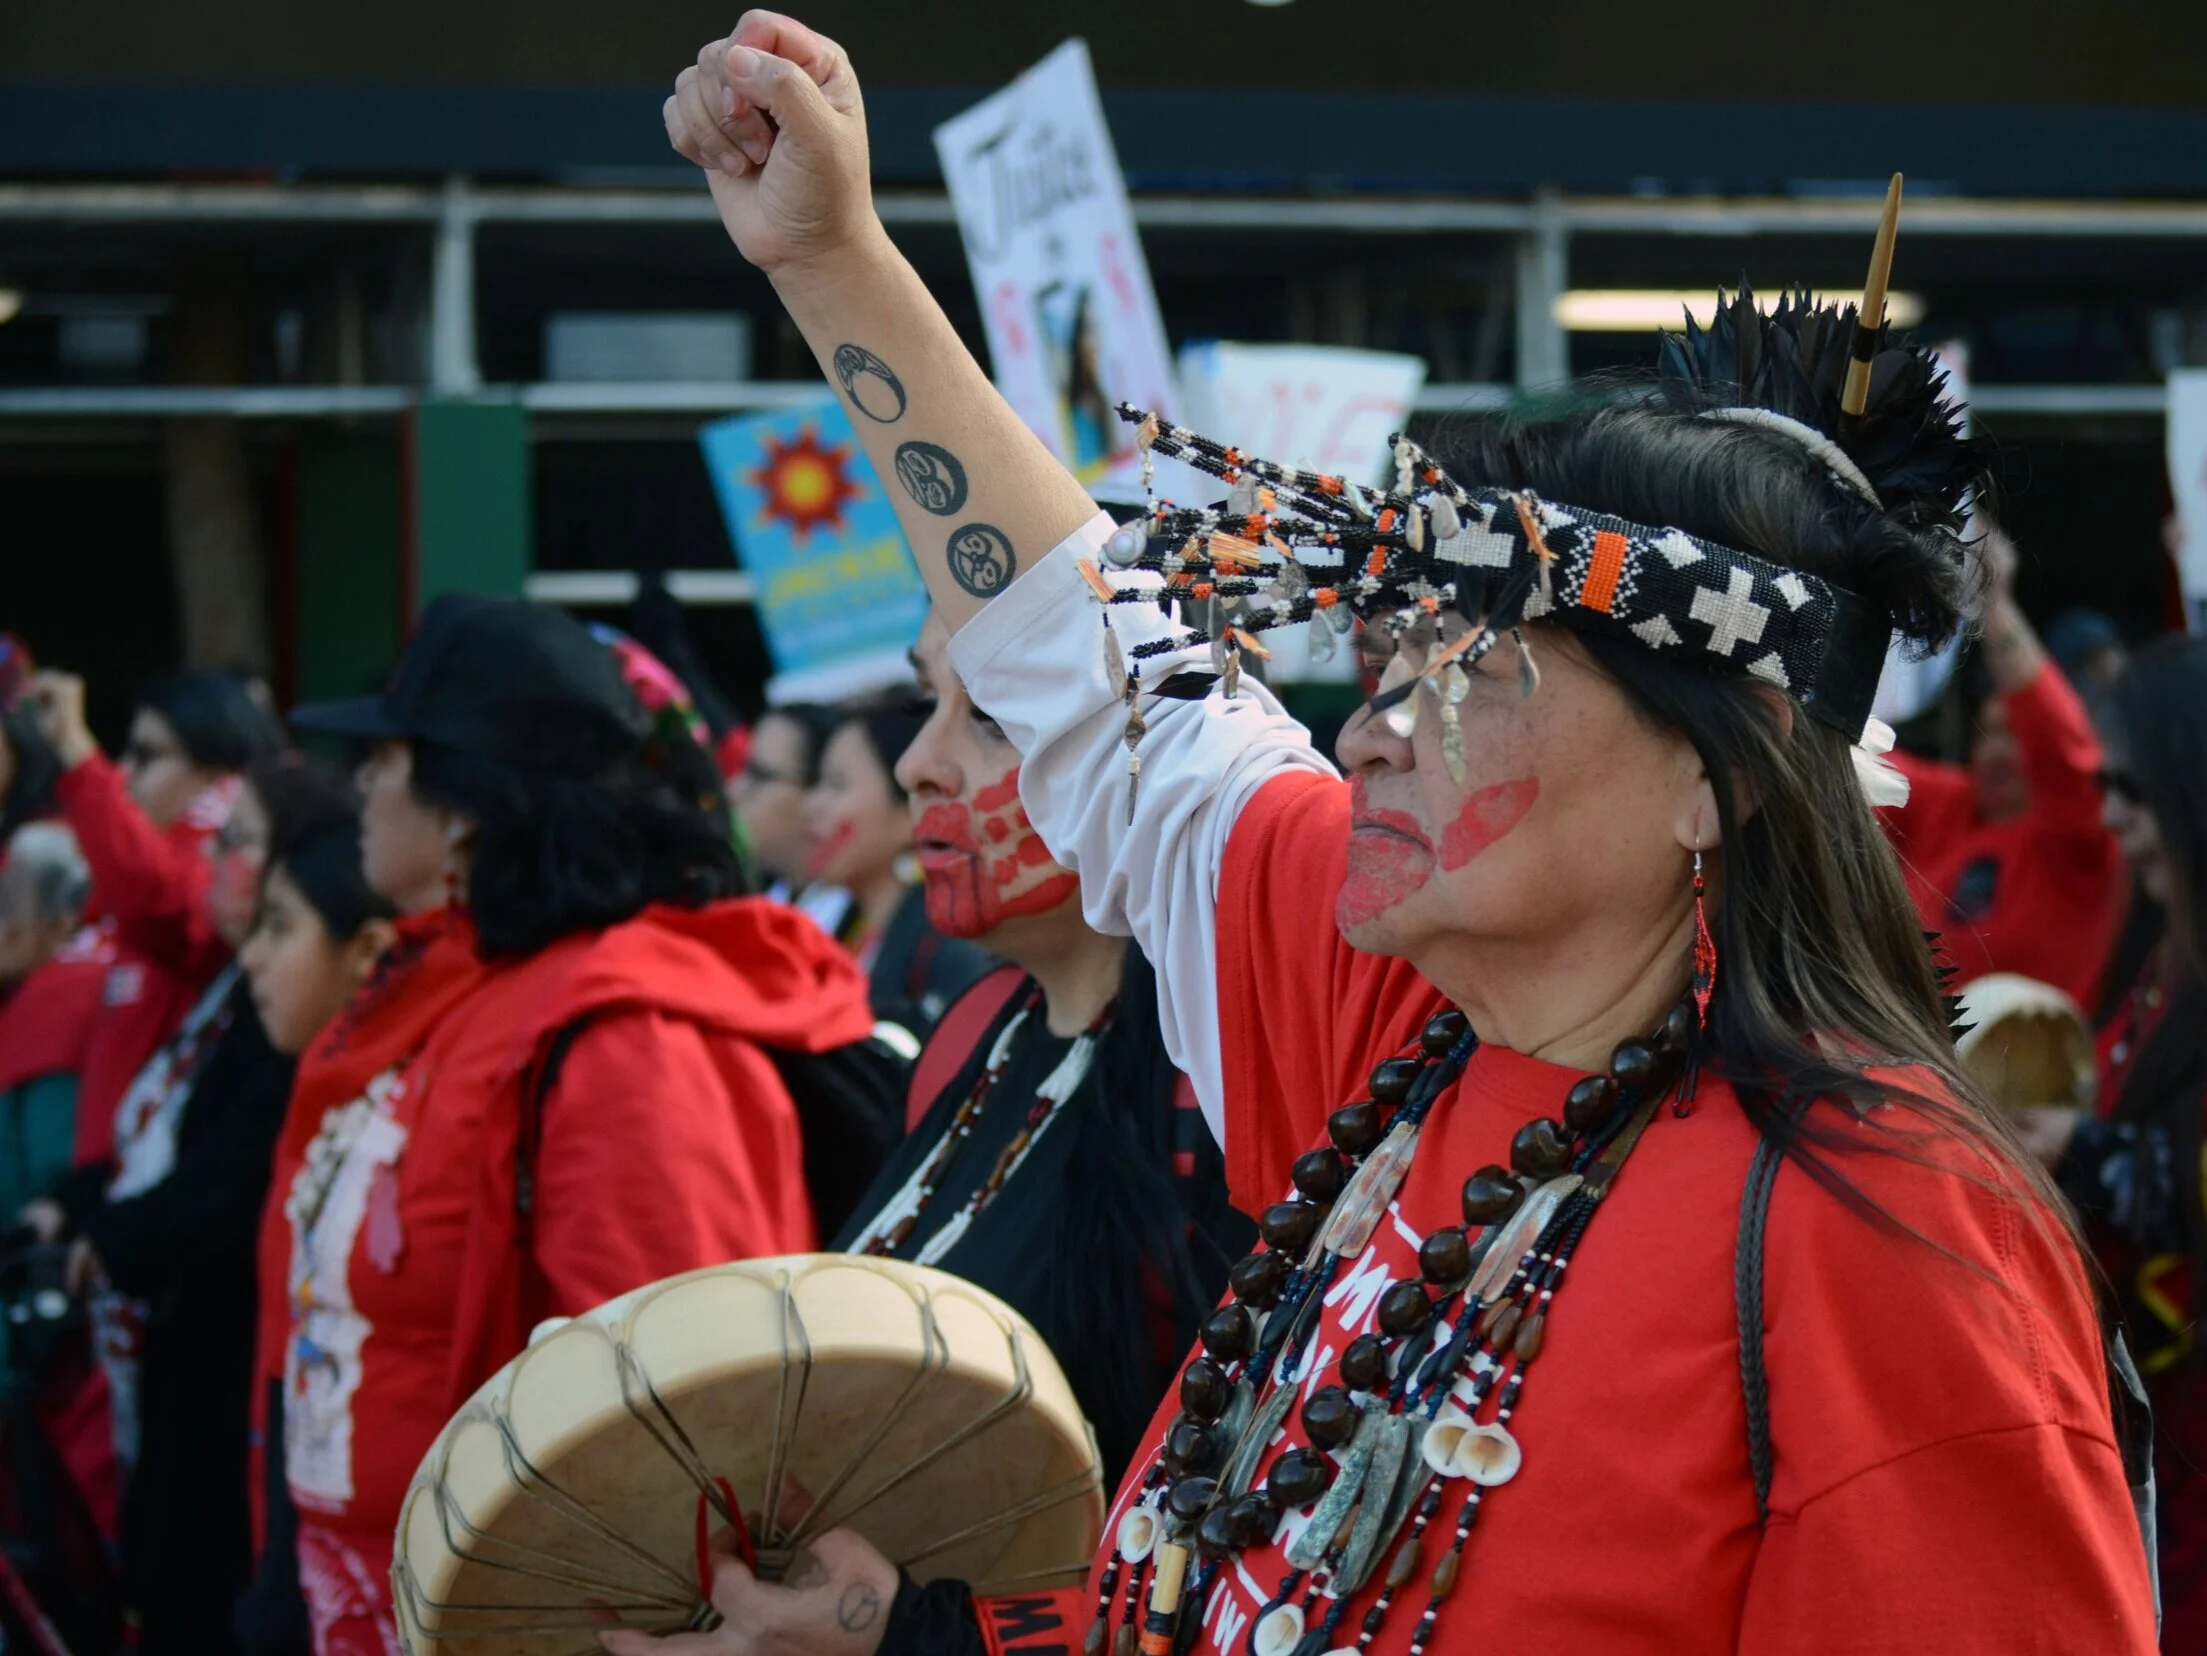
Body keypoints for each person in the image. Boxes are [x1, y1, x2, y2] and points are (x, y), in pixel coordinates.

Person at [619, 24, 2157, 1655]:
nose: (1366, 729)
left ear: (1732, 776)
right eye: (1386, 667)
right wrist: (831, 255)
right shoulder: (1401, 1021)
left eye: (1475, 672)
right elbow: (1088, 662)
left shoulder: (1892, 1241)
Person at [257, 593, 875, 1654]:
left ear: (463, 798)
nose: (359, 782)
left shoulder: (623, 1038)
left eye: (389, 753)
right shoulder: (447, 990)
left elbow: (689, 1419)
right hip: (365, 1596)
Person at [834, 616, 1249, 1480]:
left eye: (993, 716)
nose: (916, 764)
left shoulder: (1220, 1081)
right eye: (926, 699)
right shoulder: (967, 1039)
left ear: (1159, 747)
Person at [23, 755, 344, 1656]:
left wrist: (112, 1238)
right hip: (189, 1356)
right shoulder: (234, 994)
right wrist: (77, 1211)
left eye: (238, 842)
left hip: (231, 1367)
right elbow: (149, 1141)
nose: (211, 860)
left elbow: (224, 1189)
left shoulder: (297, 1020)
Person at [2015, 636, 2207, 1646]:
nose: (2112, 818)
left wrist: (2088, 1154)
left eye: (2133, 790)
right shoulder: (2159, 953)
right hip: (2151, 1437)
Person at [233, 796, 398, 1656]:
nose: (250, 958)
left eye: (280, 928)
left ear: (368, 949)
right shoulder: (317, 1090)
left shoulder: (397, 1115)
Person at [22, 667, 287, 1166]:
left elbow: (164, 909)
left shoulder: (225, 854)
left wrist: (79, 756)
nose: (123, 774)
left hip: (166, 1198)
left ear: (215, 773)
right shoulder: (154, 855)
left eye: (146, 756)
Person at [1879, 523, 2127, 1007]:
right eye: (1987, 734)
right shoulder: (1949, 805)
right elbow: (1846, 762)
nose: (1996, 751)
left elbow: (2061, 743)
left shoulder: (2077, 837)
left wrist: (1993, 605)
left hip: (2029, 1077)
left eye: (2015, 736)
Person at [805, 694, 997, 1038]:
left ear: (908, 803)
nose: (812, 805)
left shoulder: (952, 940)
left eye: (836, 785)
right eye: (818, 784)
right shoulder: (835, 932)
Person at [732, 702, 842, 896]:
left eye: (759, 776)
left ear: (818, 797)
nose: (733, 790)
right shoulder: (769, 900)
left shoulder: (862, 916)